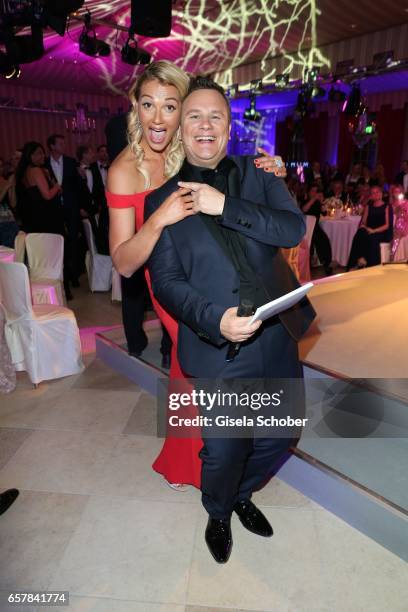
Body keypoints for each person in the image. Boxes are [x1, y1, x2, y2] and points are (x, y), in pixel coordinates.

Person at [145, 76, 315, 563]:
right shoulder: (161, 201)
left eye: (215, 116)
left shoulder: (259, 174)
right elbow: (169, 281)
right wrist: (213, 320)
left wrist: (228, 206)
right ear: (181, 129)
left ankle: (242, 494)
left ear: (228, 127)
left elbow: (291, 226)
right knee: (224, 449)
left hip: (278, 330)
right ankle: (219, 509)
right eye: (194, 115)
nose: (204, 125)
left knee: (282, 431)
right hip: (221, 343)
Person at [107, 61, 286, 490]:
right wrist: (158, 220)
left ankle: (221, 457)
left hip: (207, 266)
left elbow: (229, 169)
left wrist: (269, 171)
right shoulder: (123, 169)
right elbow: (124, 263)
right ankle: (197, 462)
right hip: (165, 274)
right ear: (135, 107)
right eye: (148, 104)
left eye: (170, 107)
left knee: (206, 367)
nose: (157, 118)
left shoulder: (186, 150)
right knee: (194, 365)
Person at [45, 134, 82, 294]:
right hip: (53, 211)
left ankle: (73, 275)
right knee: (58, 245)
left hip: (71, 208)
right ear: (52, 146)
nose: (63, 146)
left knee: (73, 243)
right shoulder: (44, 164)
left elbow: (77, 187)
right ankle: (63, 279)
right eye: (60, 143)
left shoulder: (70, 162)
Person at [15, 142, 63, 234]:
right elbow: (47, 195)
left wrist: (48, 177)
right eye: (39, 153)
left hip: (34, 216)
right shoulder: (35, 170)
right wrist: (57, 186)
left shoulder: (25, 171)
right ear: (31, 156)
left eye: (43, 153)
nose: (43, 155)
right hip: (45, 217)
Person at [347, 185, 392, 270]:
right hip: (369, 229)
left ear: (381, 193)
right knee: (360, 233)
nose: (376, 194)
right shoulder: (369, 206)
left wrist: (374, 230)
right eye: (373, 193)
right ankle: (359, 259)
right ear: (371, 195)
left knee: (372, 238)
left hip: (381, 231)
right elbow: (363, 221)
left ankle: (367, 264)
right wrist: (364, 227)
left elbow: (387, 225)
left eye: (377, 192)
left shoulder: (387, 206)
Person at [301, 184, 333, 275]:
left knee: (324, 240)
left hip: (315, 226)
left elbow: (324, 212)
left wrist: (321, 202)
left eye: (316, 191)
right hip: (306, 226)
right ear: (308, 192)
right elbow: (304, 210)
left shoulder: (317, 202)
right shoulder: (305, 201)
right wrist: (313, 199)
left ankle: (326, 264)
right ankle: (308, 265)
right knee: (312, 240)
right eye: (313, 191)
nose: (315, 193)